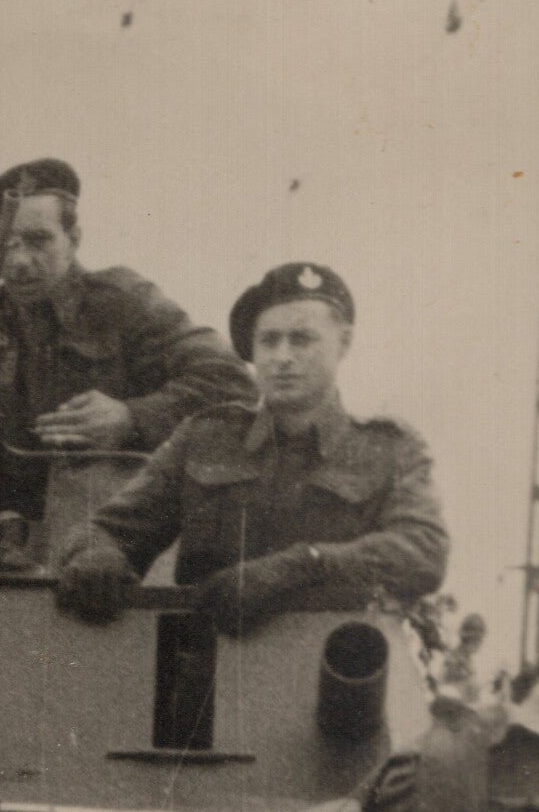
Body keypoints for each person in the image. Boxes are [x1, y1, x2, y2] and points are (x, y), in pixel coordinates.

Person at [0, 159, 253, 567]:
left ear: (73, 238)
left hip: (106, 546)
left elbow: (231, 382)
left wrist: (131, 418)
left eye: (38, 241)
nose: (18, 261)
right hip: (9, 545)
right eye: (6, 246)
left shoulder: (123, 302)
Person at [57, 261, 448, 633]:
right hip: (207, 671)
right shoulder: (206, 439)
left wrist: (303, 565)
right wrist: (100, 556)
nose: (282, 358)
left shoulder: (388, 449)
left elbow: (422, 551)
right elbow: (108, 528)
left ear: (343, 342)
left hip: (330, 675)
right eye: (268, 341)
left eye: (302, 339)